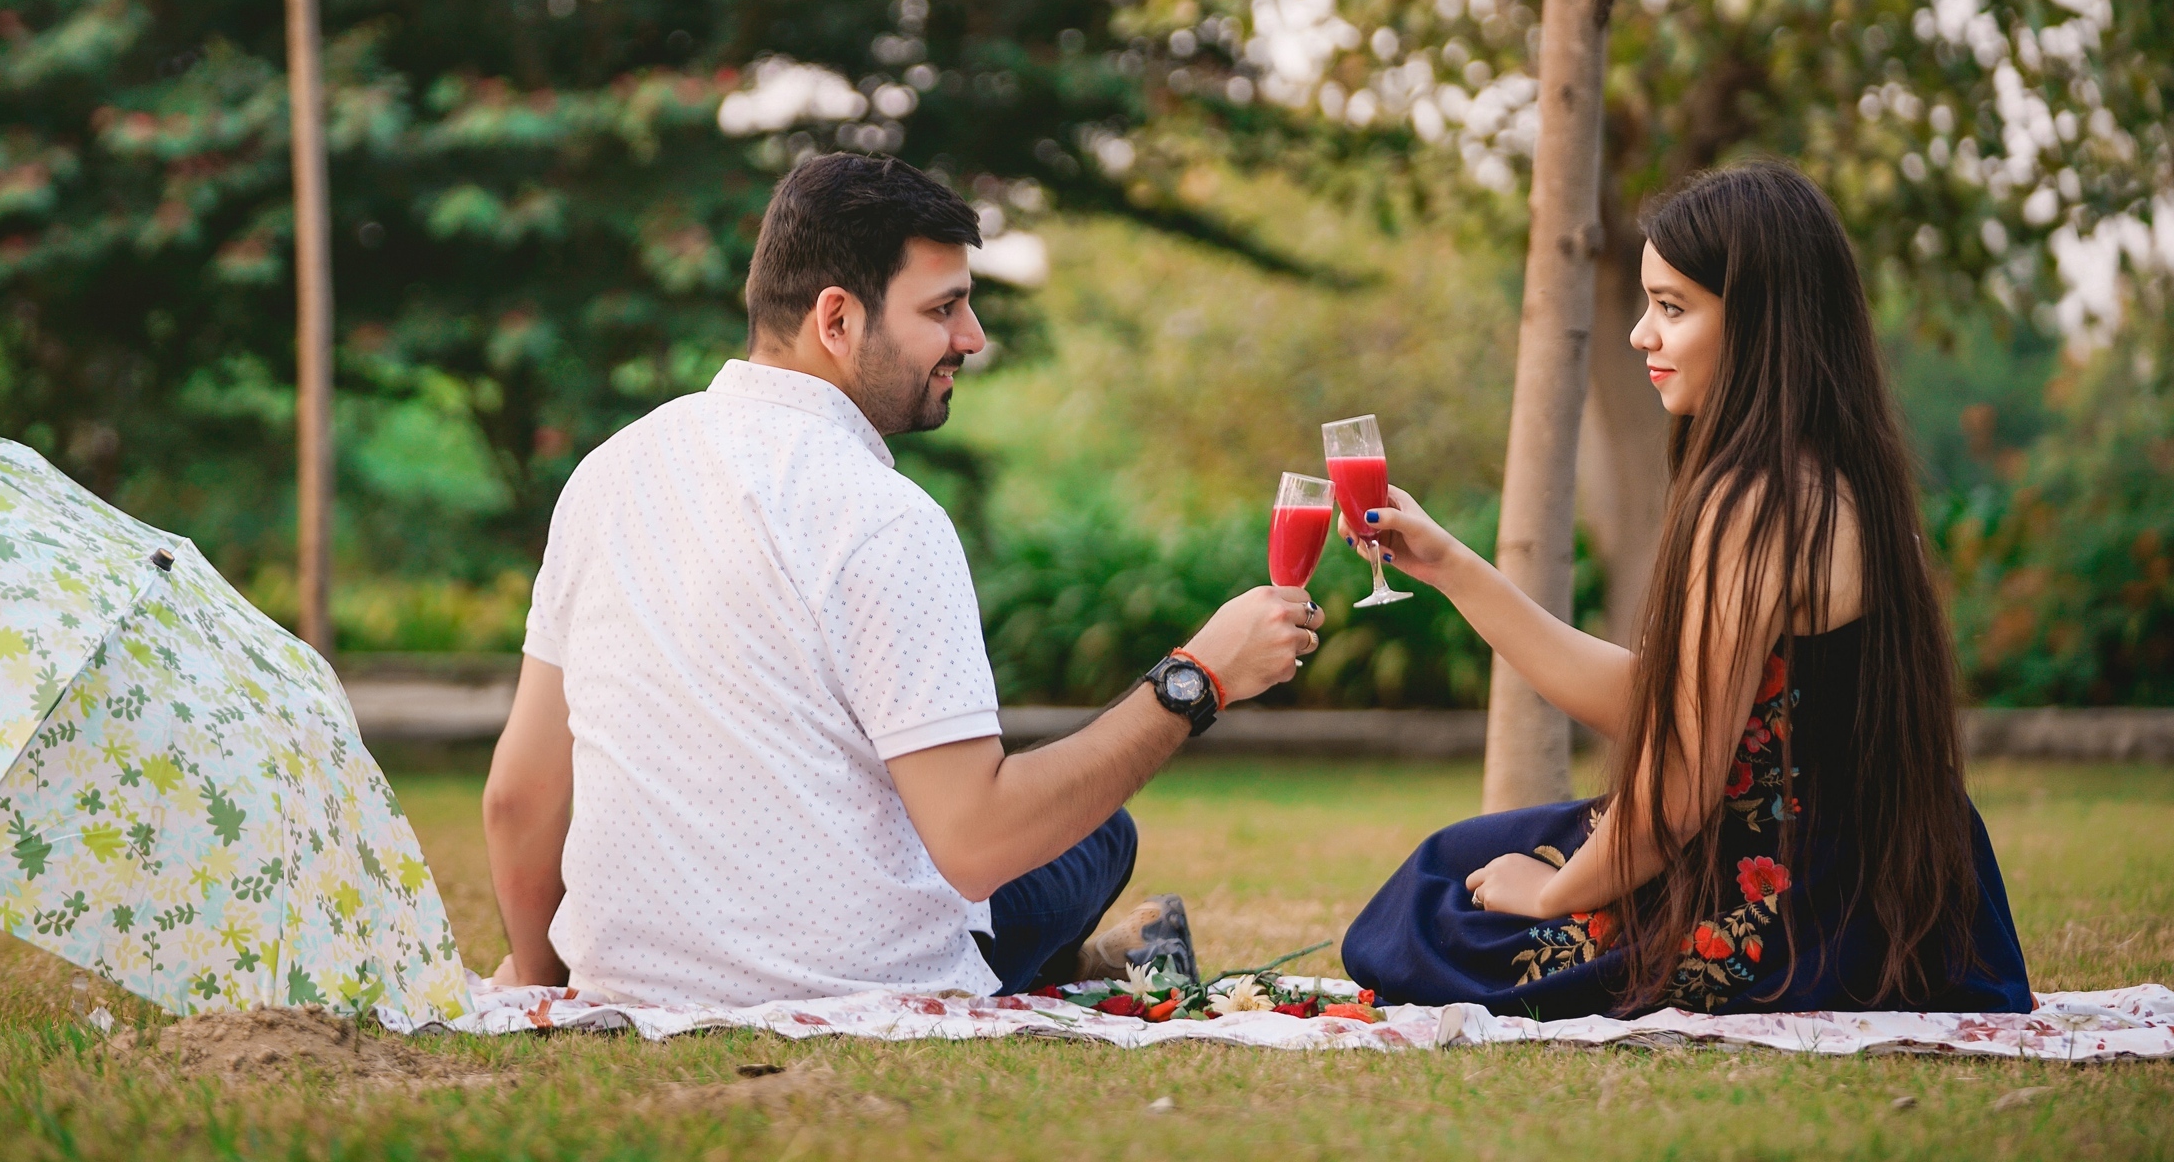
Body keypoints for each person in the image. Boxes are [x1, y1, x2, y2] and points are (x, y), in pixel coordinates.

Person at [480, 152, 1321, 1008]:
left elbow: (517, 799)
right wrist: (1197, 681)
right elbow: (978, 841)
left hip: (634, 979)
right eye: (944, 308)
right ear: (836, 320)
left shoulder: (607, 474)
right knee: (1101, 836)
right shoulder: (884, 516)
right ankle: (1088, 958)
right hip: (864, 983)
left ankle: (1097, 958)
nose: (973, 337)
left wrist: (555, 993)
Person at [1340, 160, 2034, 1017]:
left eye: (1671, 308)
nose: (1640, 335)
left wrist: (1559, 895)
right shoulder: (1835, 478)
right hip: (1889, 891)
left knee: (1422, 918)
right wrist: (1453, 567)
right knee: (1457, 863)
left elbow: (1676, 788)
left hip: (1792, 912)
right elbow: (1666, 703)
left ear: (1761, 323)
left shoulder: (1756, 502)